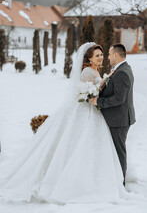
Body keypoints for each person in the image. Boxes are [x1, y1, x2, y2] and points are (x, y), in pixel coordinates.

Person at [0, 42, 126, 204]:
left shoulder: (95, 70)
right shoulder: (87, 71)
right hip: (85, 110)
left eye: (102, 55)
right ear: (88, 58)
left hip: (93, 110)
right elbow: (85, 92)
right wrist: (99, 88)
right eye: (97, 55)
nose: (101, 58)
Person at [90, 43, 136, 186]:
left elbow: (119, 98)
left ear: (116, 55)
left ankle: (119, 183)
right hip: (119, 118)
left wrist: (98, 101)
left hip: (119, 119)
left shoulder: (122, 72)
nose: (107, 57)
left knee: (118, 152)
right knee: (116, 151)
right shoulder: (122, 69)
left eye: (109, 54)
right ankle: (115, 179)